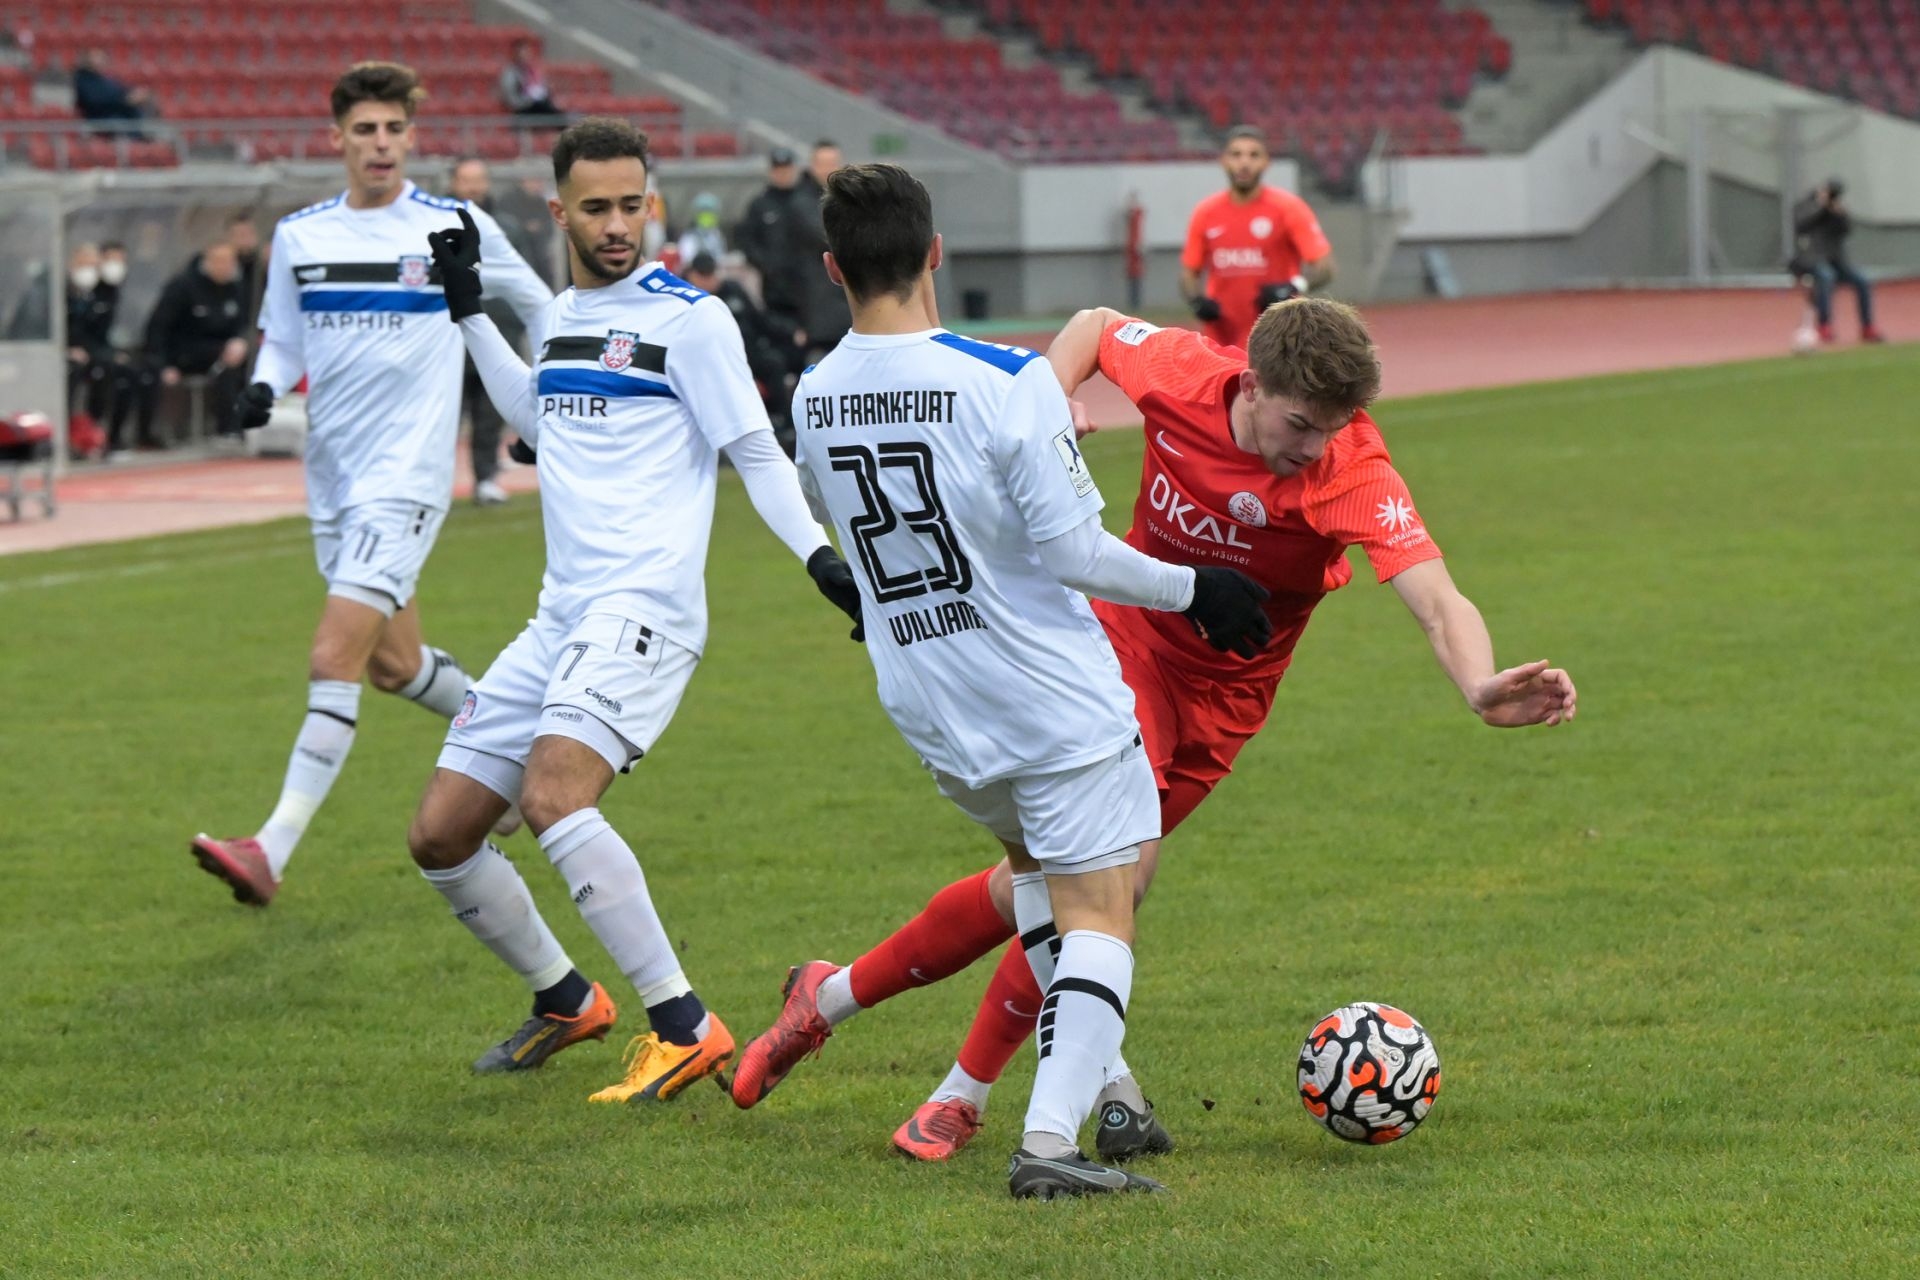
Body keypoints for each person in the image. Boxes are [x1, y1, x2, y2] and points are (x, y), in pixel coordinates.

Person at [734, 296, 1578, 1165]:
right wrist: (1053, 395)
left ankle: (827, 999)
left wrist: (1478, 682)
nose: (1314, 447)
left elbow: (1436, 597)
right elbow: (1095, 328)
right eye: (1299, 424)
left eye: (1333, 427)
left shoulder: (1351, 471)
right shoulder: (1183, 373)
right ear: (1250, 385)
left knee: (1045, 888)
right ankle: (965, 1096)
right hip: (1121, 650)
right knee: (1109, 884)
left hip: (1226, 705)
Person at [728, 163, 1274, 1200]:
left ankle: (1090, 1091)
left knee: (1038, 882)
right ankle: (1051, 1143)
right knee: (1103, 909)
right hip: (1048, 695)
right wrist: (1197, 586)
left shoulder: (813, 394)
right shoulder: (1005, 377)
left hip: (935, 706)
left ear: (834, 267)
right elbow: (1076, 552)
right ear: (937, 254)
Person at [406, 118, 863, 1100]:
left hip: (644, 607)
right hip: (558, 617)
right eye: (596, 207)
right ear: (558, 207)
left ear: (650, 204)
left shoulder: (692, 320)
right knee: (441, 834)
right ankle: (568, 999)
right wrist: (468, 313)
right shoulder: (566, 312)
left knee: (554, 796)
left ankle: (684, 1024)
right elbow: (538, 420)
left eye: (631, 205)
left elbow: (752, 448)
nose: (617, 225)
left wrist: (819, 555)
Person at [190, 63, 552, 906]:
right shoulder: (301, 235)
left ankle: (270, 848)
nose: (380, 144)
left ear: (411, 138)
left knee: (333, 654)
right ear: (338, 140)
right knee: (393, 665)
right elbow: (280, 340)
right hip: (336, 482)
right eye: (365, 131)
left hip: (409, 479)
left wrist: (541, 404)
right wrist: (264, 388)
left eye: (394, 129)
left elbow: (538, 304)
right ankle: (524, 753)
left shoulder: (450, 224)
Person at [1182, 125, 1335, 350]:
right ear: (1224, 160)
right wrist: (1197, 301)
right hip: (1221, 341)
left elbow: (1325, 267)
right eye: (1236, 154)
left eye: (1254, 155)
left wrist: (1293, 286)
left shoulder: (1288, 208)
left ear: (1266, 162)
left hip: (1277, 337)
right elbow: (1188, 274)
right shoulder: (1205, 212)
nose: (1244, 163)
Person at [447, 155, 516, 504]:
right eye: (466, 180)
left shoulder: (507, 227)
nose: (473, 187)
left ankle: (486, 478)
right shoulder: (437, 228)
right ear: (453, 184)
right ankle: (432, 483)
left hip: (497, 333)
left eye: (479, 179)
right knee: (443, 416)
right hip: (449, 338)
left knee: (489, 415)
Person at [681, 251, 807, 442]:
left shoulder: (732, 290)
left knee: (777, 361)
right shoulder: (686, 300)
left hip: (749, 354)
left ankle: (786, 424)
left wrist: (791, 333)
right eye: (703, 275)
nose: (710, 280)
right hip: (714, 363)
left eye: (711, 274)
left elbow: (761, 320)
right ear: (692, 275)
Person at [143, 240, 252, 436]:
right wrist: (162, 364)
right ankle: (228, 428)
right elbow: (158, 327)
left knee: (251, 361)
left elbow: (243, 324)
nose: (225, 266)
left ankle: (254, 421)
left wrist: (241, 341)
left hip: (225, 351)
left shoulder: (236, 289)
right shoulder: (183, 286)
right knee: (227, 364)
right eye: (219, 261)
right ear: (207, 261)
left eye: (229, 261)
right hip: (185, 352)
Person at [1792, 179, 1883, 344]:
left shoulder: (1835, 209)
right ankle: (1824, 325)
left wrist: (1838, 213)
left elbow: (1846, 230)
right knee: (1826, 276)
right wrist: (1822, 207)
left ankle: (1867, 327)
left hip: (1836, 261)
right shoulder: (1805, 206)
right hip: (1811, 261)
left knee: (1862, 280)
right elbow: (1802, 224)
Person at [72, 48, 153, 133]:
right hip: (102, 120)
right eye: (96, 58)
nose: (100, 61)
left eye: (102, 58)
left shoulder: (107, 79)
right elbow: (95, 101)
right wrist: (124, 100)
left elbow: (122, 91)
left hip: (120, 117)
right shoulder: (83, 80)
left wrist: (135, 95)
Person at [497, 37, 562, 117]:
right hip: (522, 108)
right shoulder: (510, 73)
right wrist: (527, 101)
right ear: (515, 54)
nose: (525, 55)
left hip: (537, 104)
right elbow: (511, 98)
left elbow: (542, 87)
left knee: (553, 110)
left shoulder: (532, 71)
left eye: (527, 52)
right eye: (522, 52)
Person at [675, 191, 726, 264]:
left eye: (711, 213)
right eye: (704, 213)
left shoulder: (716, 235)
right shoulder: (689, 236)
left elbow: (720, 256)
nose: (708, 217)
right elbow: (686, 258)